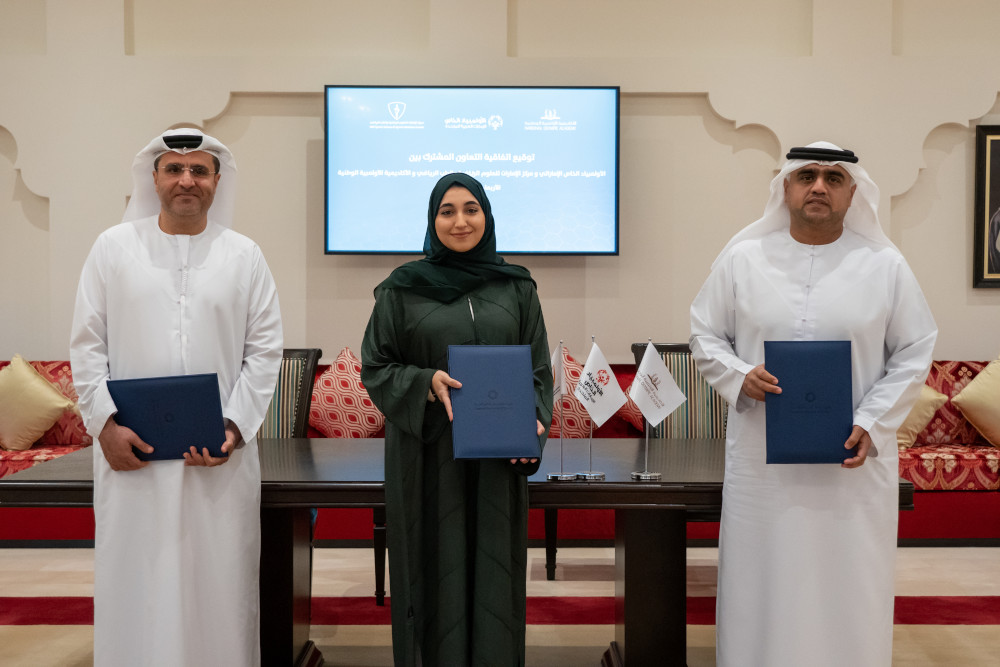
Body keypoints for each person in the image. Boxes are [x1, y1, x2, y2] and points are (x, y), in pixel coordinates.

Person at [689, 142, 937, 666]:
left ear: (852, 192)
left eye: (833, 177)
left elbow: (915, 350)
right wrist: (739, 375)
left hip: (851, 466)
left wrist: (873, 420)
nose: (819, 186)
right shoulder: (743, 259)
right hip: (762, 468)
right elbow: (705, 335)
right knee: (762, 579)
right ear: (786, 187)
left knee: (848, 584)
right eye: (806, 176)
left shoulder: (886, 265)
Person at [70, 128, 283, 666]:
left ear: (216, 181)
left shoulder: (245, 256)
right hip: (132, 459)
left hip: (219, 461)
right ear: (155, 178)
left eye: (199, 170)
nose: (187, 180)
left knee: (219, 586)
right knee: (137, 583)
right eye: (174, 169)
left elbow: (264, 352)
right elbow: (87, 345)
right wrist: (105, 427)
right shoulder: (112, 248)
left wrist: (233, 428)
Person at [360, 172, 553, 666]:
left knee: (495, 574)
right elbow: (377, 367)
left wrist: (533, 425)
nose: (460, 221)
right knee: (430, 568)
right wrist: (425, 382)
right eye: (447, 211)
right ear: (433, 220)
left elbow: (537, 372)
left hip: (497, 463)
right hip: (427, 458)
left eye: (471, 209)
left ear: (487, 216)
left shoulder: (517, 288)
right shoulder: (401, 289)